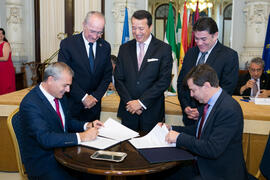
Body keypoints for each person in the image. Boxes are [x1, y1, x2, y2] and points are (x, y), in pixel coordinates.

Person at [20, 62, 103, 180]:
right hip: (44, 162)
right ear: (50, 80)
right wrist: (81, 137)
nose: (68, 90)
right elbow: (45, 138)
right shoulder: (31, 104)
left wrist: (87, 125)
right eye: (65, 85)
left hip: (63, 153)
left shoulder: (59, 96)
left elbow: (66, 122)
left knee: (97, 173)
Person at [163, 64, 247, 180]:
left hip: (219, 172)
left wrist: (179, 138)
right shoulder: (209, 103)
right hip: (202, 163)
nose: (191, 95)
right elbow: (198, 131)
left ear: (206, 86)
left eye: (193, 90)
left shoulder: (229, 109)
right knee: (163, 175)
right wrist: (171, 128)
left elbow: (212, 149)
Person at [114, 10, 173, 132]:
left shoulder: (163, 49)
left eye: (141, 28)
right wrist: (130, 103)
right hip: (128, 110)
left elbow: (164, 81)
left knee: (151, 150)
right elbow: (118, 79)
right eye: (134, 28)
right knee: (128, 148)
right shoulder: (124, 48)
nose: (136, 32)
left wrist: (141, 102)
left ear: (150, 27)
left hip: (152, 111)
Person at [177, 17, 239, 126]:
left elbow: (226, 90)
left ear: (215, 35)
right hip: (189, 118)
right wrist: (185, 106)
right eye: (196, 39)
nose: (199, 43)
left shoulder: (229, 56)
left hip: (213, 118)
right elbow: (182, 83)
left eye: (204, 39)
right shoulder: (190, 53)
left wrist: (202, 111)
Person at [58, 11, 112, 122]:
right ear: (84, 25)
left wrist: (95, 97)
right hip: (73, 103)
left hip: (94, 106)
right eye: (92, 31)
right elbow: (64, 75)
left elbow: (106, 76)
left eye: (99, 32)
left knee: (93, 136)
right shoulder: (68, 44)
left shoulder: (105, 46)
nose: (95, 36)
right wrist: (83, 97)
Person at [0, 28, 16, 95]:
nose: (0, 35)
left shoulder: (5, 44)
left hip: (5, 69)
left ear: (3, 36)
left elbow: (5, 58)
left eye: (1, 33)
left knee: (5, 88)